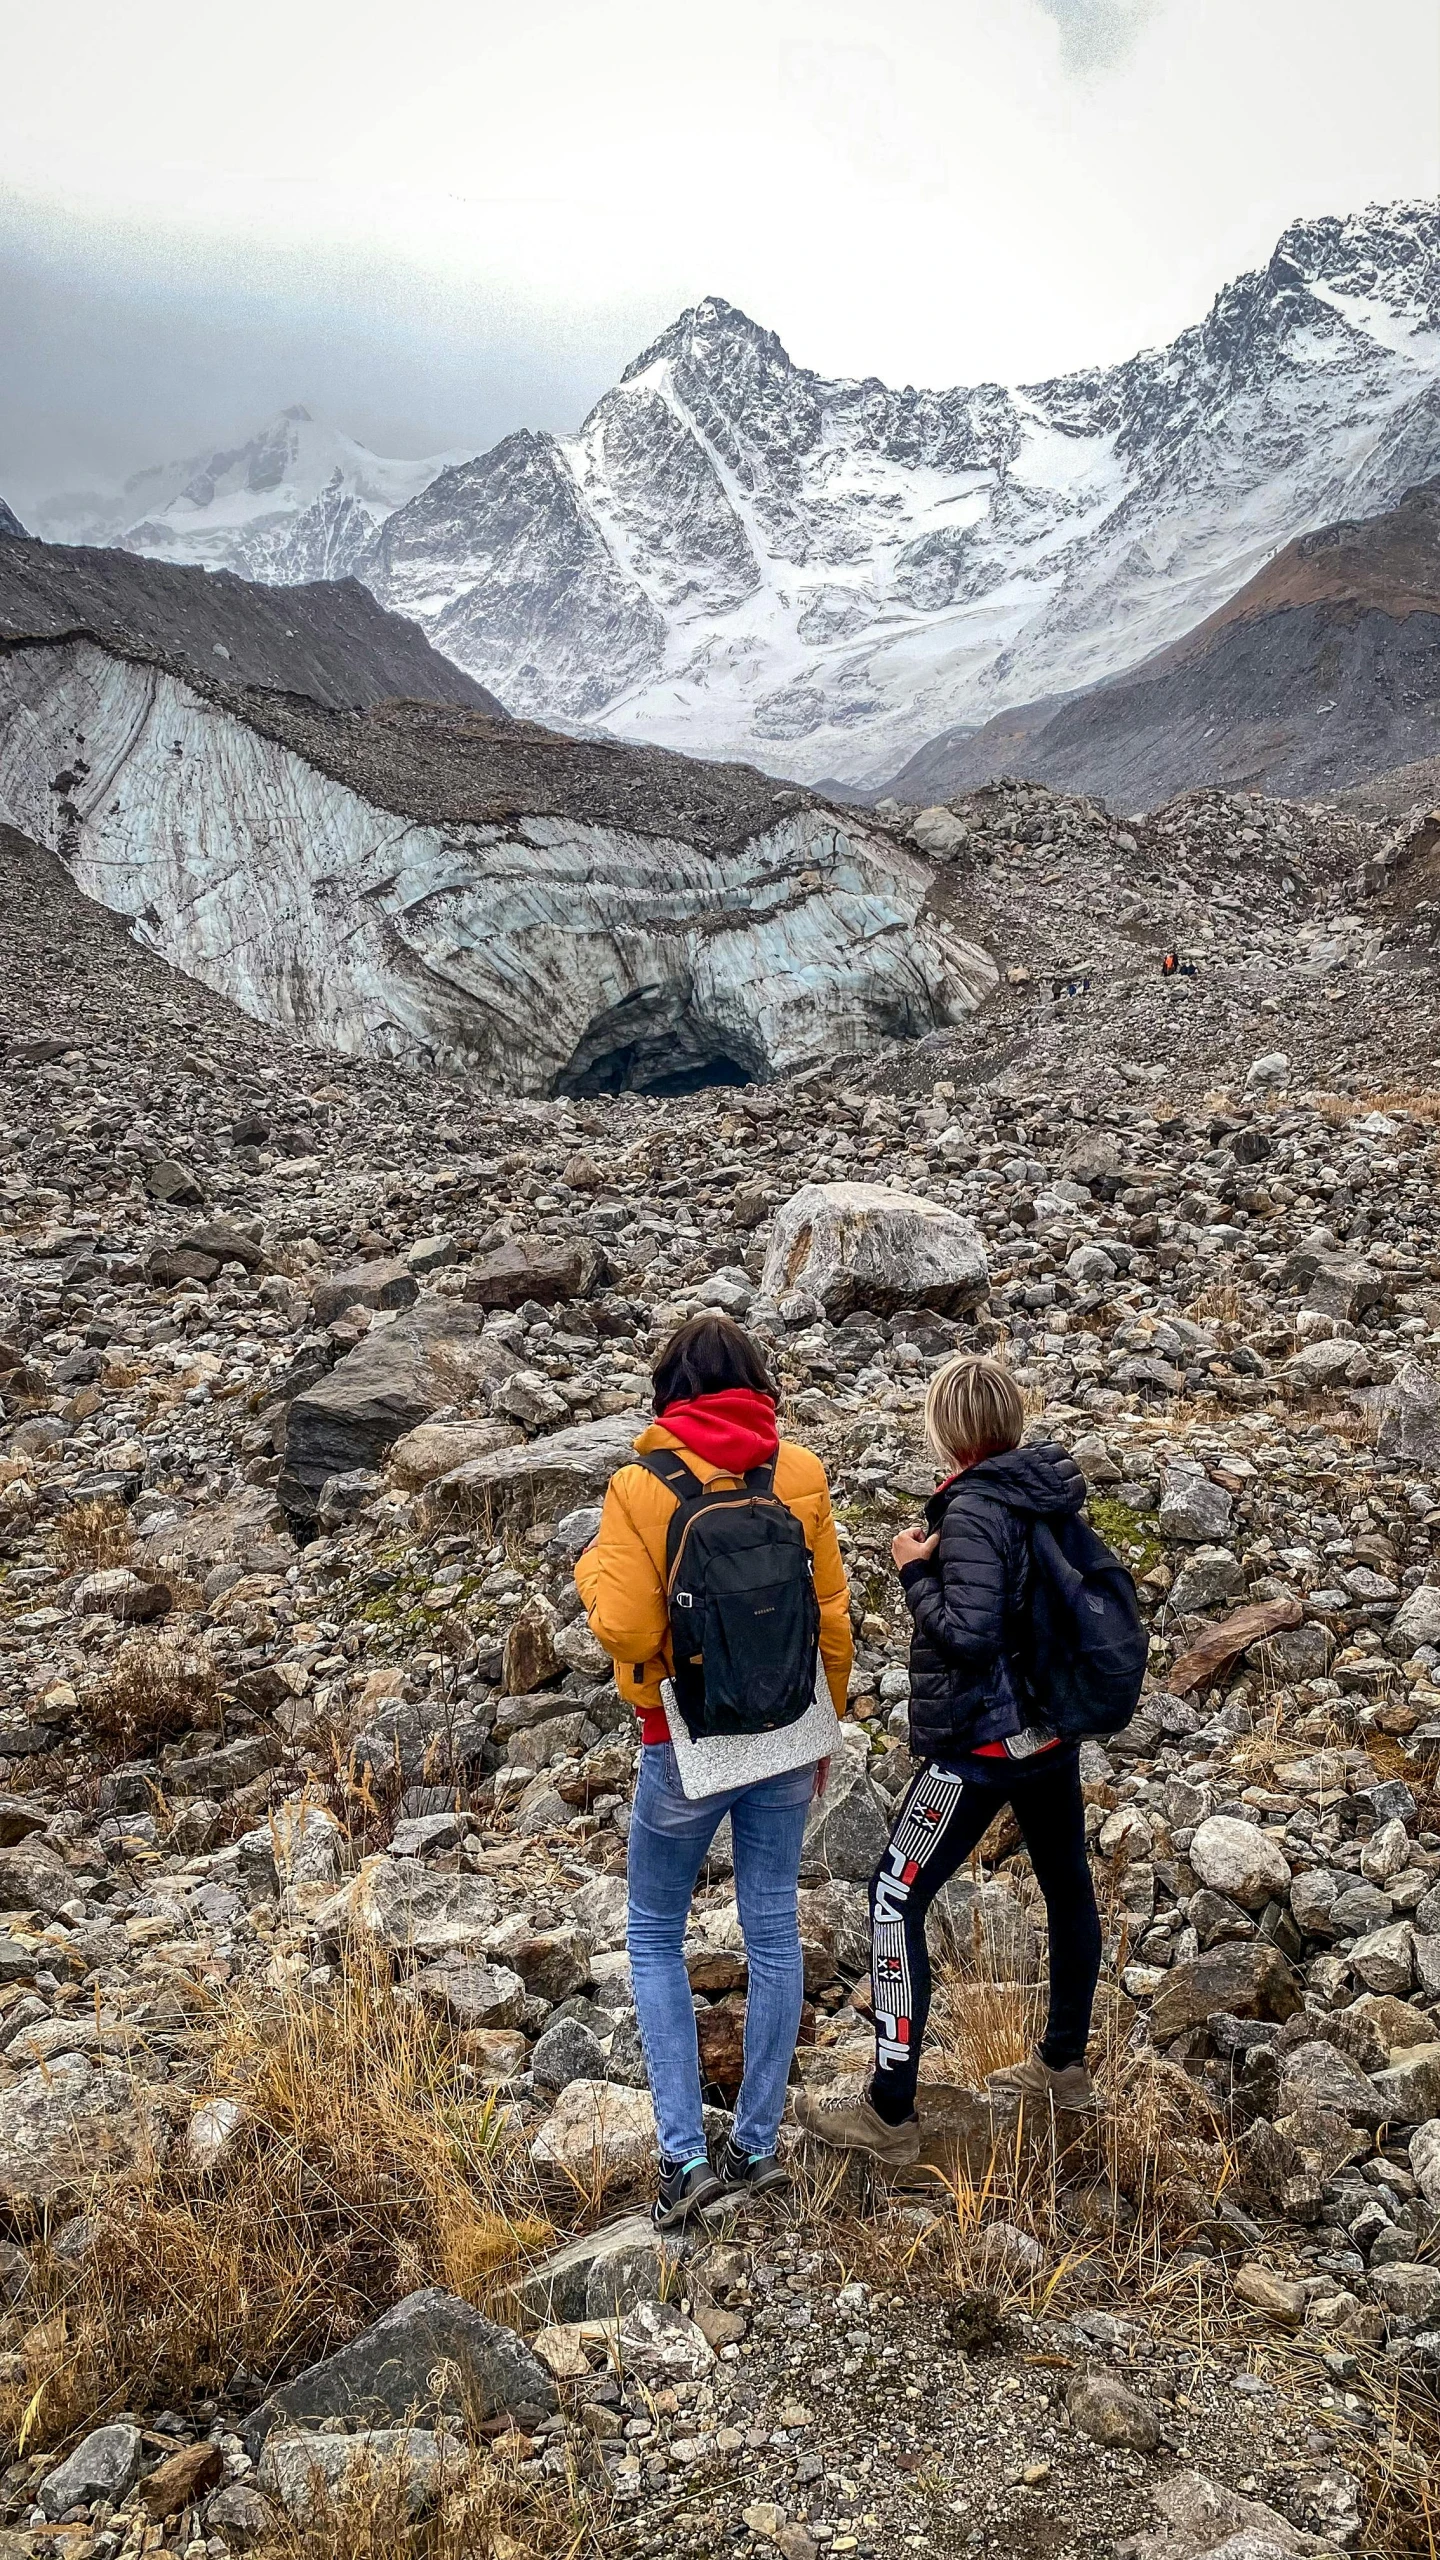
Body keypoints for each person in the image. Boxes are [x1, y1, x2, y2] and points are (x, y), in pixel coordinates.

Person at [576, 1314, 852, 2227]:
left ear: (670, 1392)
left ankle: (684, 2158)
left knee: (654, 1931)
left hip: (684, 1742)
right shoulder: (800, 1473)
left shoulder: (639, 1484)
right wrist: (828, 1723)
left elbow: (621, 1626)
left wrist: (593, 1575)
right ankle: (759, 2147)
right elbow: (830, 1610)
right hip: (790, 1731)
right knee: (771, 1928)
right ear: (756, 1384)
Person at [794, 1352, 1104, 2165]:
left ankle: (890, 2111)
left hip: (980, 1745)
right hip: (1048, 1732)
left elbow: (968, 1634)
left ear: (949, 1431)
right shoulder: (1045, 1491)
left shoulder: (970, 1507)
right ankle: (1062, 2067)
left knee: (895, 1896)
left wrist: (911, 1572)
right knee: (1067, 1883)